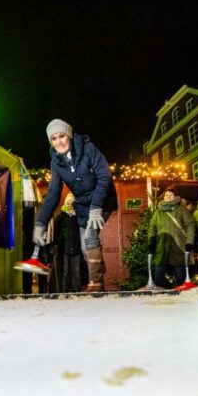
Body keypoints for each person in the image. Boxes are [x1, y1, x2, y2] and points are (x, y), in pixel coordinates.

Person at [33, 119, 117, 292]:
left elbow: (105, 177)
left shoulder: (88, 149)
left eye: (62, 136)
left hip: (102, 200)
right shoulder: (56, 163)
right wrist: (40, 223)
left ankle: (96, 284)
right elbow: (53, 194)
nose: (59, 142)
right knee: (85, 247)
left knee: (90, 236)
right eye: (54, 138)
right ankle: (97, 271)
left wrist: (96, 207)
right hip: (83, 205)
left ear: (69, 136)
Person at [148, 190, 196, 288]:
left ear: (175, 197)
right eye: (166, 195)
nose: (168, 197)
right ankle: (169, 290)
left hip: (178, 247)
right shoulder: (158, 212)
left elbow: (190, 225)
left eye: (171, 195)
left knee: (180, 277)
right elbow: (152, 227)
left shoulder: (181, 209)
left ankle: (181, 295)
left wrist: (189, 242)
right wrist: (151, 241)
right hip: (162, 249)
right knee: (158, 278)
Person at [55, 193, 84, 292]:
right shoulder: (60, 216)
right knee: (64, 271)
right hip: (63, 248)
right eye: (68, 203)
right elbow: (56, 232)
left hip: (76, 247)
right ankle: (63, 291)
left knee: (77, 270)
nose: (70, 205)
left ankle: (77, 291)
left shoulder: (79, 217)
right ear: (65, 203)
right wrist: (55, 244)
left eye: (72, 203)